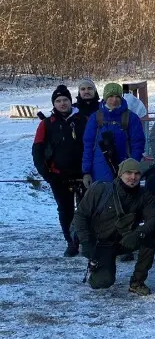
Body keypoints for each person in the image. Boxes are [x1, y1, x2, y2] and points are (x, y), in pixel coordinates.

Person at [73, 159, 155, 295]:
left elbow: (153, 219)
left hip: (125, 240)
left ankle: (137, 282)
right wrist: (85, 241)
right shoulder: (100, 189)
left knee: (152, 236)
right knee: (103, 282)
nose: (133, 177)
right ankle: (96, 267)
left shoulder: (144, 194)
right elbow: (80, 216)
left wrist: (138, 234)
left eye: (137, 173)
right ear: (120, 174)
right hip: (101, 244)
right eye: (128, 173)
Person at [32, 85, 88, 256]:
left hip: (83, 174)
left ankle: (85, 239)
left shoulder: (83, 120)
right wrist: (46, 173)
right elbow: (37, 150)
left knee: (85, 209)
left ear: (71, 101)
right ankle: (71, 242)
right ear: (54, 104)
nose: (62, 103)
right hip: (58, 175)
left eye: (65, 100)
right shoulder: (47, 124)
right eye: (58, 101)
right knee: (65, 210)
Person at [82, 82, 146, 186]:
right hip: (99, 169)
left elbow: (137, 144)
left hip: (126, 170)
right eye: (111, 96)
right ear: (105, 97)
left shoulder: (131, 117)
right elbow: (88, 146)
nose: (114, 100)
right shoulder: (96, 117)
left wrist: (133, 168)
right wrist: (86, 171)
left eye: (117, 96)